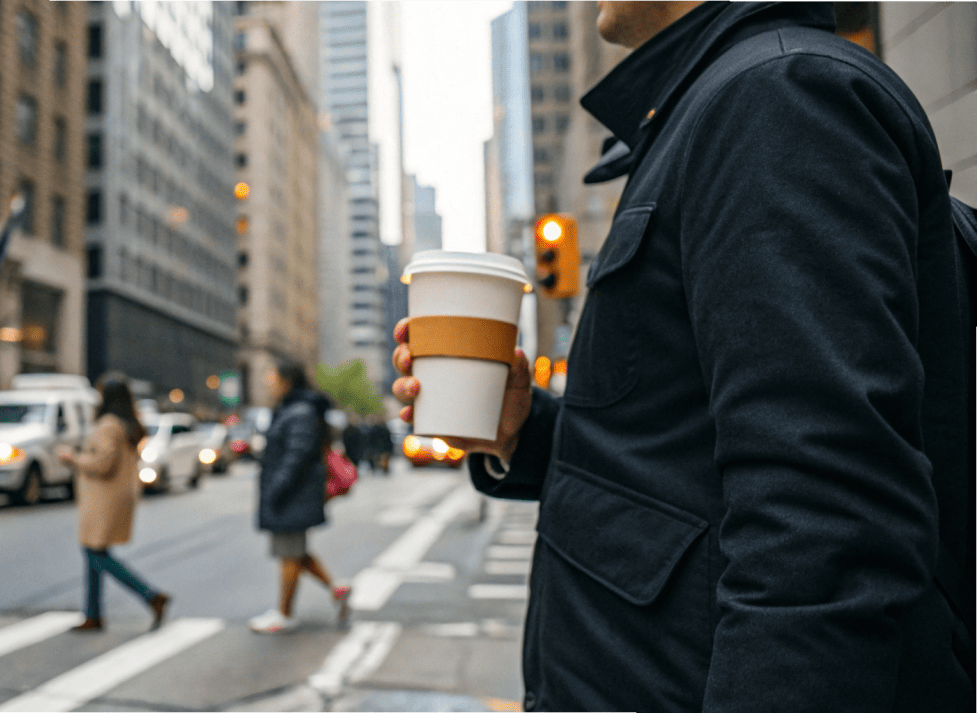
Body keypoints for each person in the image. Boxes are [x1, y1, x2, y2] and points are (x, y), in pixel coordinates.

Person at [394, 2, 972, 711]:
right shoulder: (708, 111)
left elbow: (823, 532)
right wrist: (526, 429)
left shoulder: (778, 101)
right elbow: (679, 466)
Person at [58, 374, 170, 632]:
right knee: (94, 552)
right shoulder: (128, 424)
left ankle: (150, 595)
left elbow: (102, 464)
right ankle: (93, 614)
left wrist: (73, 458)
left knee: (95, 554)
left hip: (103, 495)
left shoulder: (109, 424)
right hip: (117, 495)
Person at [248, 362, 350, 634]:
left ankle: (285, 614)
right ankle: (337, 589)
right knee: (297, 552)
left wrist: (277, 488)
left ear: (286, 381)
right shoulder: (296, 411)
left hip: (294, 495)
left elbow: (297, 455)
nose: (268, 382)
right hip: (296, 494)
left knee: (290, 555)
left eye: (273, 376)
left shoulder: (298, 412)